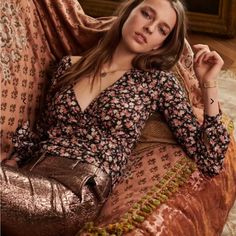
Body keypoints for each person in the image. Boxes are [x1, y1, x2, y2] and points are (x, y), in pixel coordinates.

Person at [1, 0, 230, 235]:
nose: (150, 28)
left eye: (162, 29)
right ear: (128, 12)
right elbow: (43, 131)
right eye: (147, 14)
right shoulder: (68, 66)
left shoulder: (158, 82)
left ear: (160, 44)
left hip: (75, 191)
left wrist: (208, 83)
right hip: (31, 173)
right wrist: (15, 162)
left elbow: (210, 159)